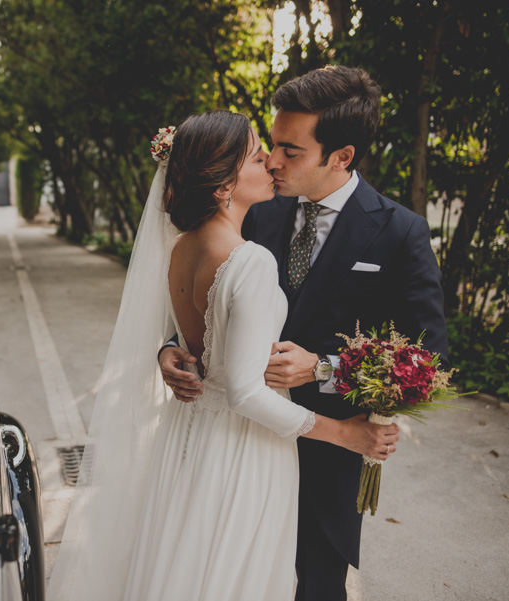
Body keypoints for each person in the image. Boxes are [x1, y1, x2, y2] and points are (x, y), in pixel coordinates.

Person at [47, 109, 398, 601]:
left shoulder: (181, 248)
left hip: (188, 435)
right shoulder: (250, 259)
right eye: (258, 156)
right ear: (222, 188)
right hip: (243, 449)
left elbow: (199, 336)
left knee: (185, 565)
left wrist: (171, 349)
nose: (272, 164)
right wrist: (346, 434)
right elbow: (246, 390)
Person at [160, 66, 448, 601]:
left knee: (315, 590)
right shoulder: (254, 207)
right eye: (270, 145)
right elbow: (203, 289)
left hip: (326, 459)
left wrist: (325, 369)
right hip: (233, 451)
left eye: (290, 151)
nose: (272, 161)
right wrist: (169, 347)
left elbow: (428, 357)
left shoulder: (400, 232)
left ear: (341, 157)